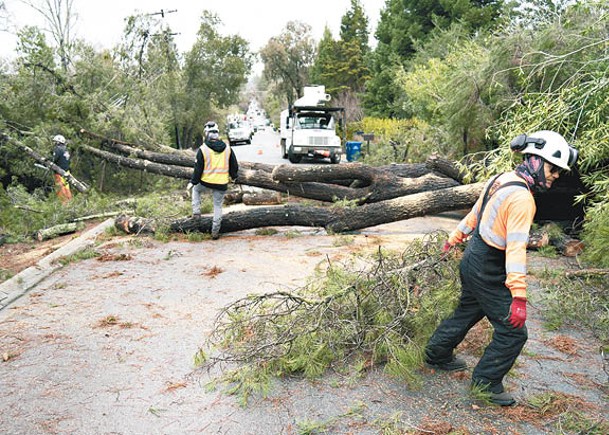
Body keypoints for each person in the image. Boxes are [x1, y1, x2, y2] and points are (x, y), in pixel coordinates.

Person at [424, 130, 578, 406]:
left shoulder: (502, 179)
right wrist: (518, 297)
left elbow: (474, 213)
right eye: (554, 169)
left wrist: (454, 238)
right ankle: (486, 383)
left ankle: (437, 353)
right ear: (536, 161)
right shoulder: (522, 200)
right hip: (487, 267)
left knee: (468, 309)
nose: (556, 176)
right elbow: (516, 249)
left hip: (472, 257)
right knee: (513, 333)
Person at [187, 124, 239, 240]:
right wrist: (234, 177)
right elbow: (234, 166)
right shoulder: (227, 148)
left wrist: (193, 182)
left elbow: (198, 169)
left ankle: (196, 212)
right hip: (221, 183)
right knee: (217, 206)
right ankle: (215, 232)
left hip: (206, 182)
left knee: (196, 189)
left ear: (206, 135)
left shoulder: (203, 149)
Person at [51, 134, 72, 203]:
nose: (54, 143)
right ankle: (70, 202)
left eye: (55, 141)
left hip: (59, 172)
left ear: (58, 142)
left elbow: (53, 159)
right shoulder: (66, 149)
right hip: (66, 172)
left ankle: (63, 204)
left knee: (60, 188)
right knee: (67, 188)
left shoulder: (58, 149)